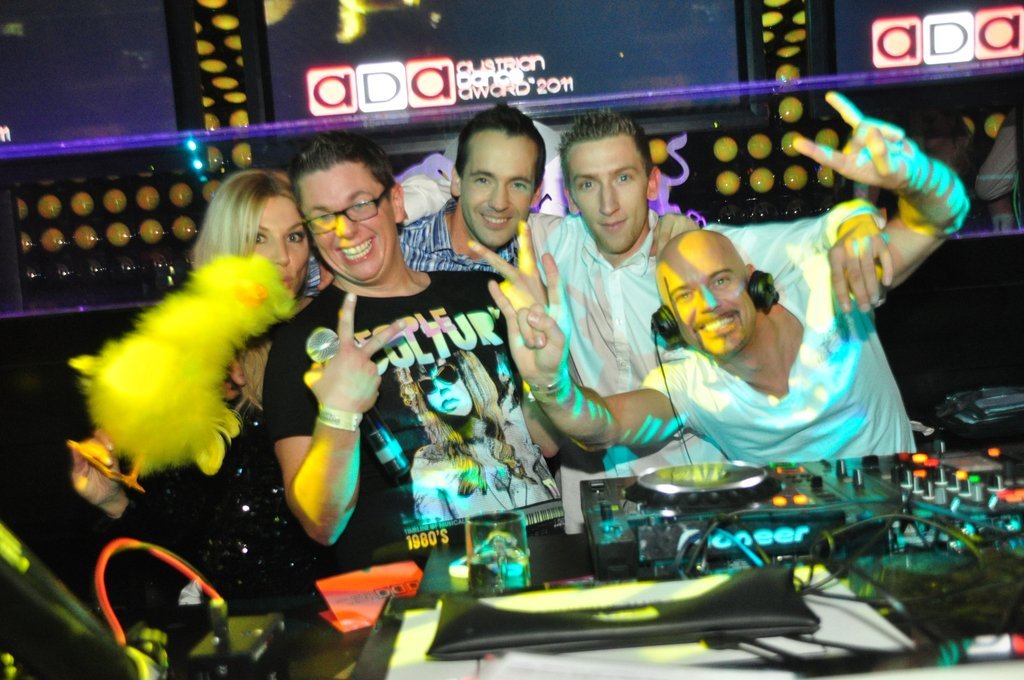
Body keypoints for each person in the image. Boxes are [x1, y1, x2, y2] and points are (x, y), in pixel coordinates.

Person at [486, 92, 969, 466]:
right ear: (672, 323)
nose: (608, 204)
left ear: (754, 279)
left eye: (719, 281)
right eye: (684, 296)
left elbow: (942, 215)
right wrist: (549, 384)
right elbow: (605, 424)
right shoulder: (693, 386)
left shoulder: (828, 293)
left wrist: (911, 180)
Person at [471, 106, 892, 532]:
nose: (608, 204)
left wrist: (857, 217)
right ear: (571, 196)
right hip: (595, 517)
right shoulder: (547, 248)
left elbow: (823, 239)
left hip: (705, 507)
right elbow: (476, 208)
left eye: (623, 178)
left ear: (652, 182)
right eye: (588, 184)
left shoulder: (698, 258)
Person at [262, 130, 560, 571]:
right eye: (323, 217)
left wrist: (546, 376)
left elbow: (548, 445)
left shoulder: (486, 292)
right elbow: (320, 524)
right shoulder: (304, 341)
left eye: (361, 204)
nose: (346, 230)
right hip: (421, 593)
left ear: (396, 203)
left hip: (546, 562)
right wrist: (339, 416)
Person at [69, 168, 335, 599]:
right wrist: (113, 502)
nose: (283, 258)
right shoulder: (189, 353)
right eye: (259, 238)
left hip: (332, 593)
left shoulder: (324, 334)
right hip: (230, 610)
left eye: (295, 236)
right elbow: (177, 527)